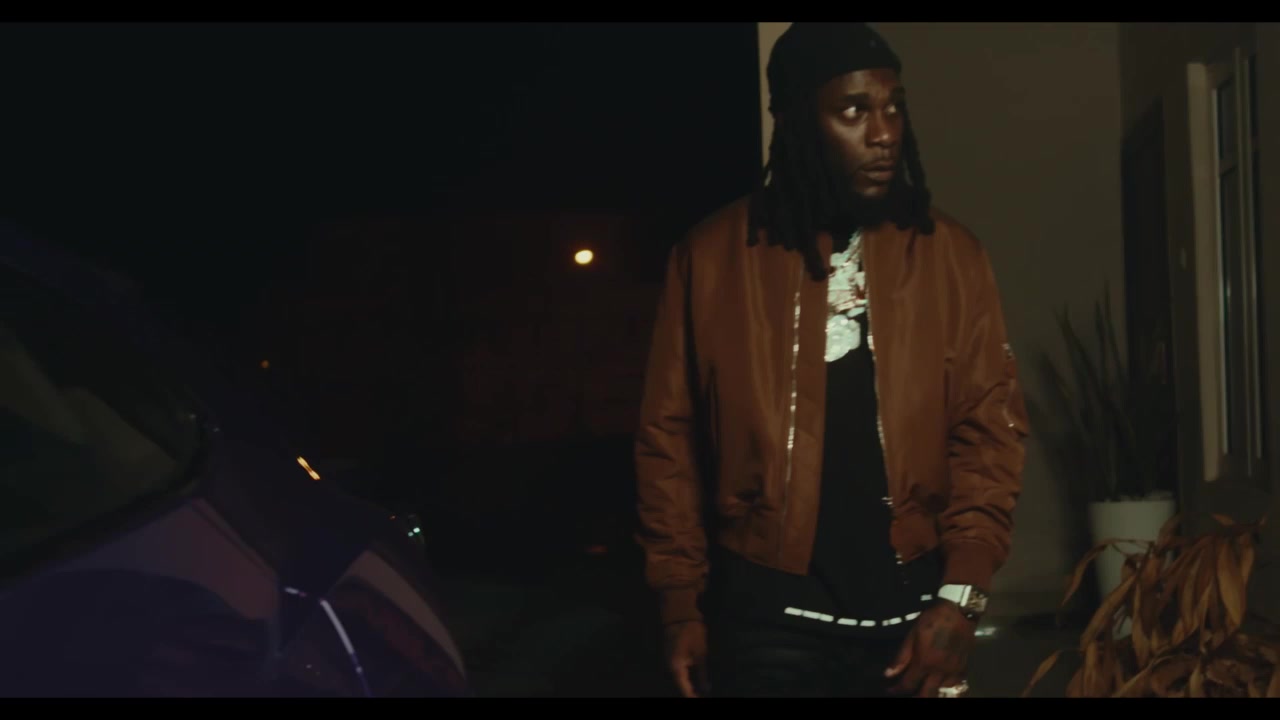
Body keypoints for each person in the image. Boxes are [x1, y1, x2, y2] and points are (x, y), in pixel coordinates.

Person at [633, 22, 1030, 698]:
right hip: (767, 621)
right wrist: (679, 602)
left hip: (917, 621)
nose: (884, 133)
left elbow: (990, 435)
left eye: (893, 107)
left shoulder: (949, 254)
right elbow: (668, 441)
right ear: (795, 121)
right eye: (853, 111)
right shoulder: (711, 256)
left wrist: (962, 596)